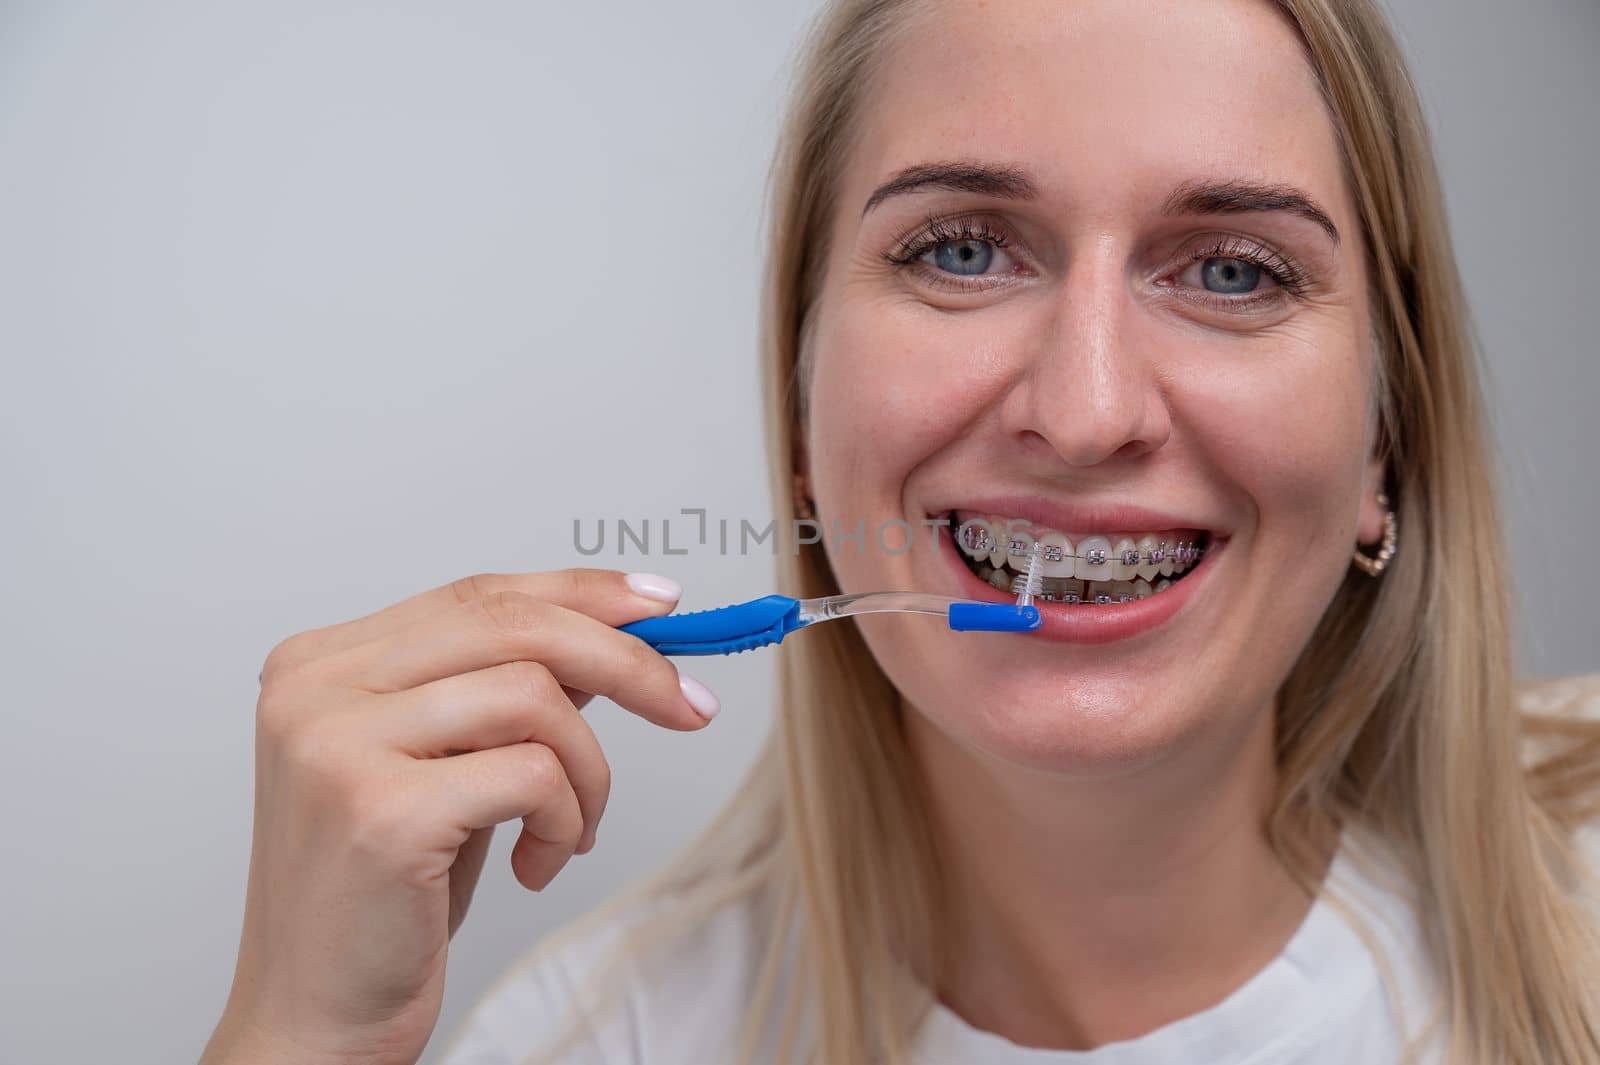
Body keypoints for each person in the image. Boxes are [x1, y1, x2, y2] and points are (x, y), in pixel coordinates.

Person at [200, 1, 1600, 1062]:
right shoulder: (595, 1036)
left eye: (1233, 270)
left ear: (1383, 446)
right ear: (804, 426)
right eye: (962, 249)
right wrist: (292, 1038)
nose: (1088, 406)